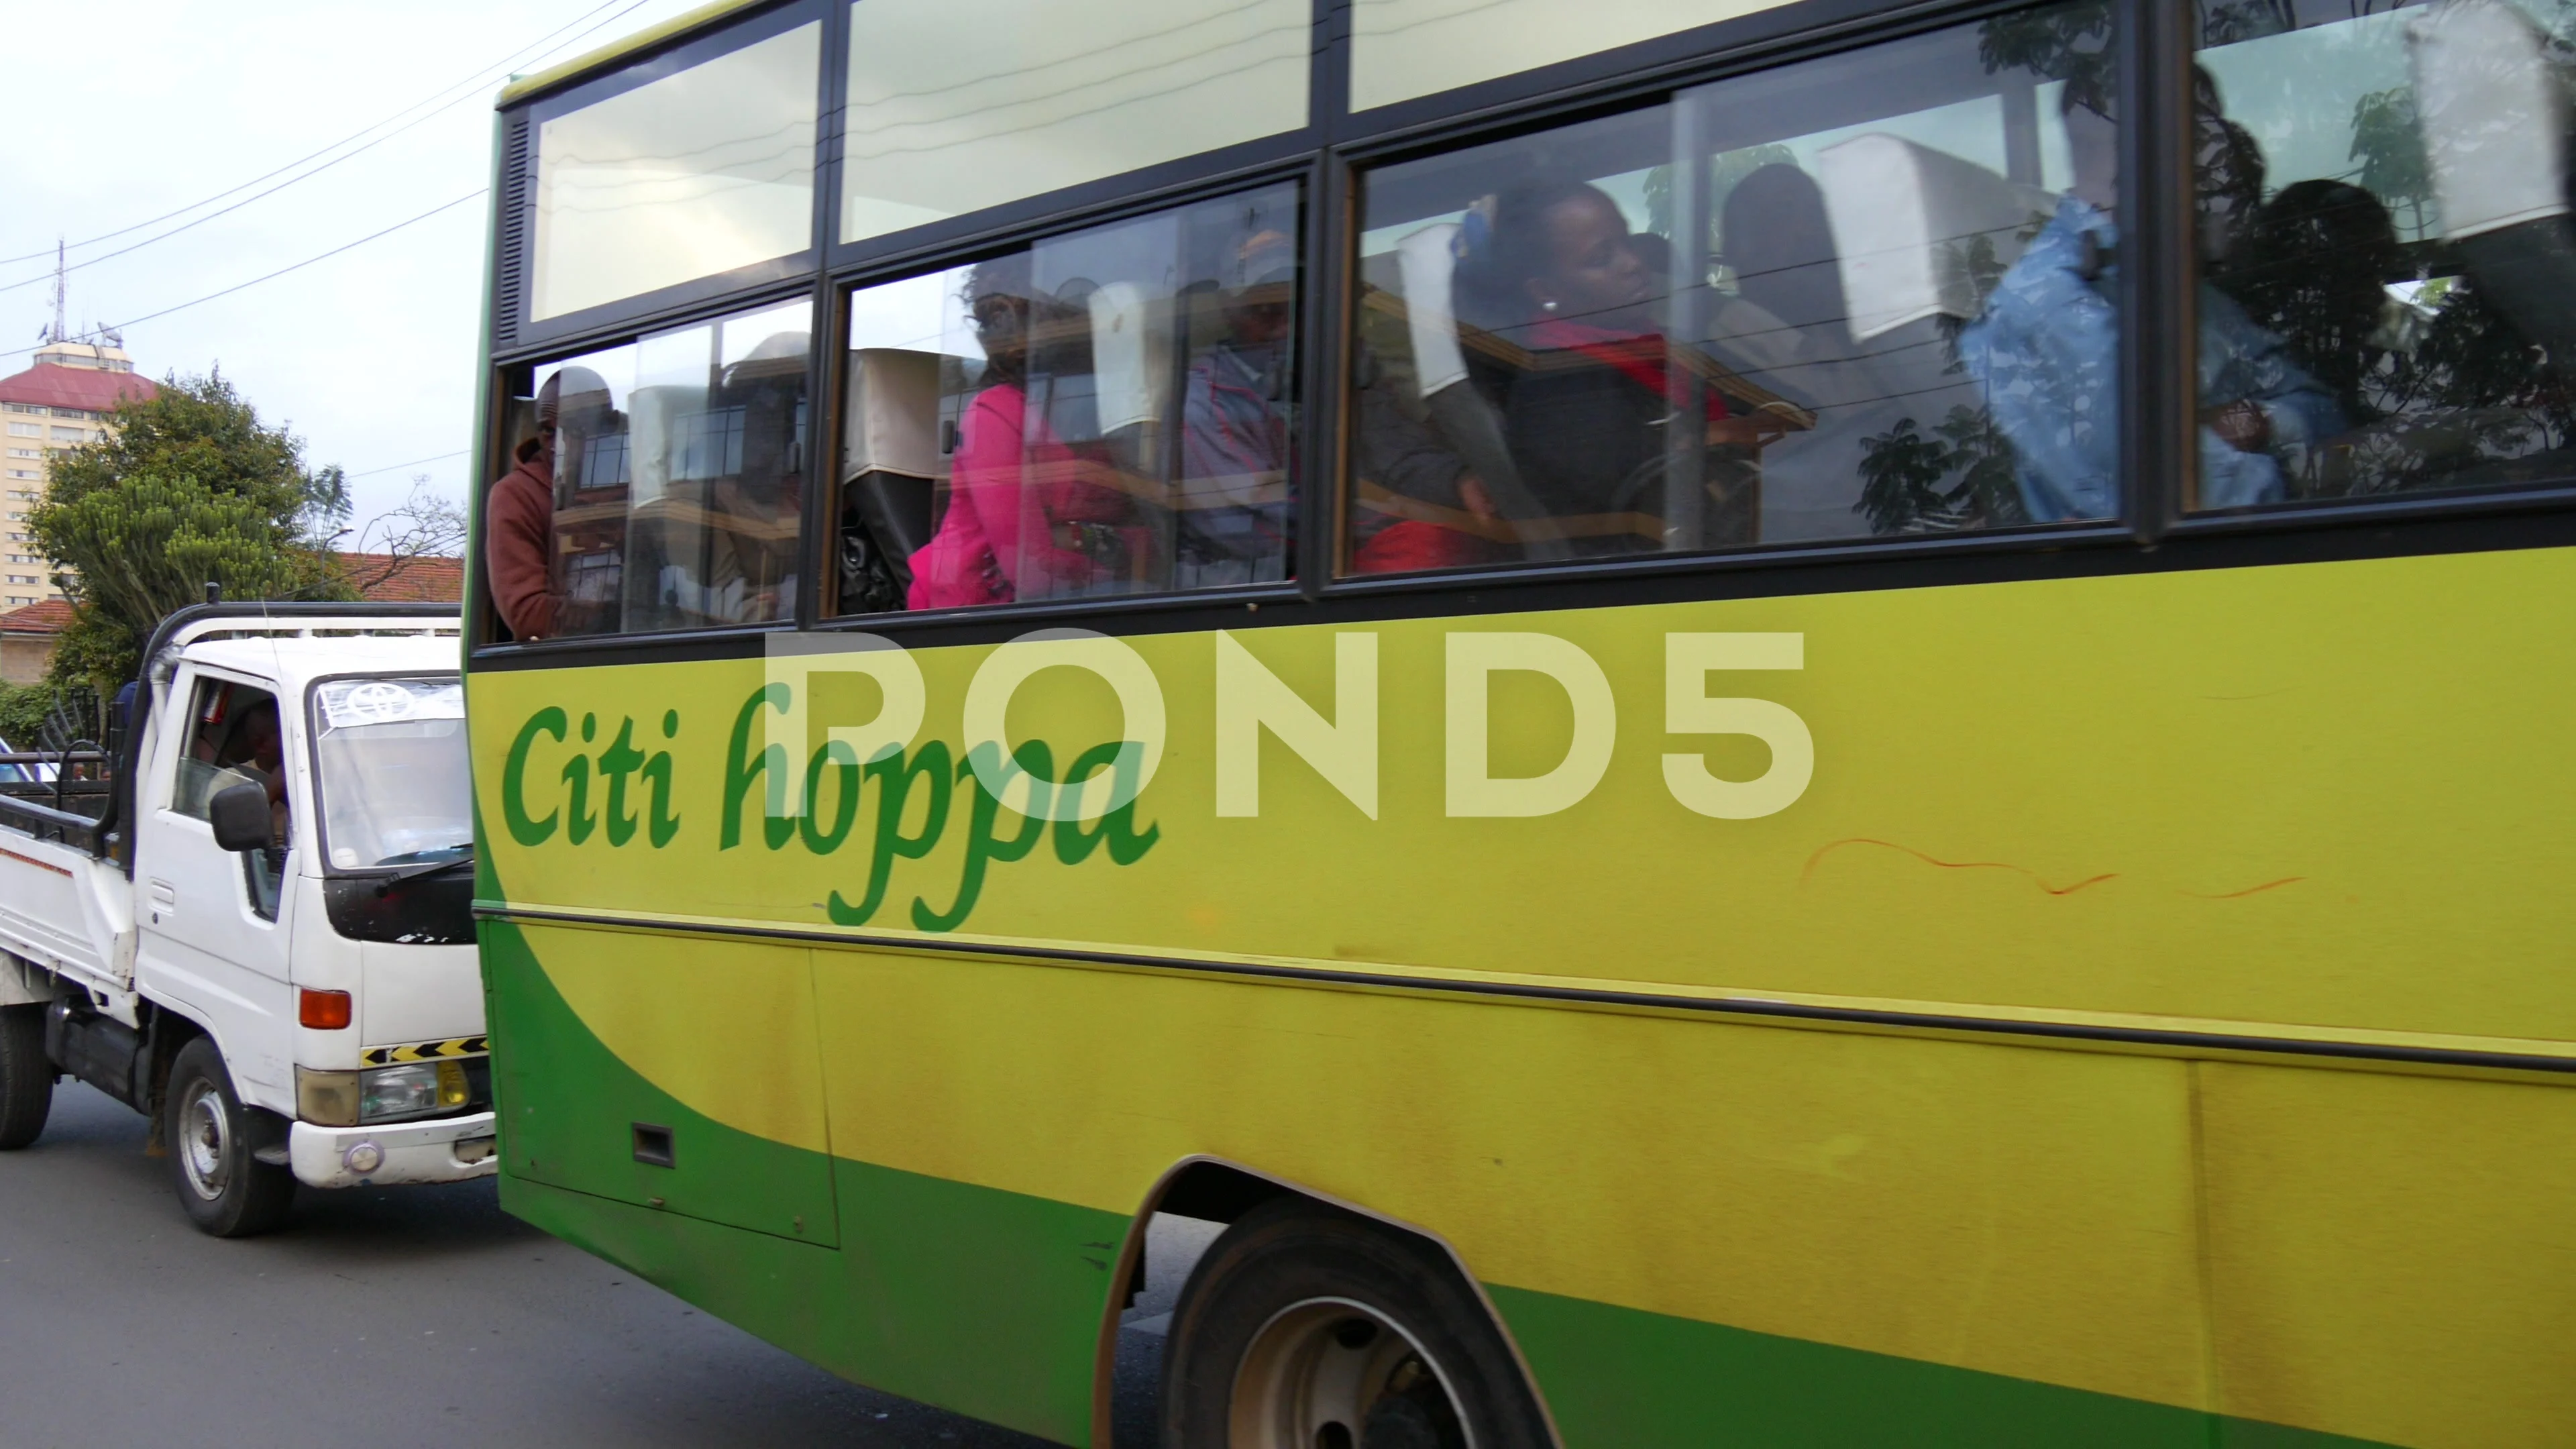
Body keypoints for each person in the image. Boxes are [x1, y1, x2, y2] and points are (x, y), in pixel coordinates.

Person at [1956, 72, 2343, 519]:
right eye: (2203, 141)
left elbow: (2323, 413)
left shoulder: (2183, 283)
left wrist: (2256, 421)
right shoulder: (2052, 299)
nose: (2222, 163)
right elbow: (2210, 502)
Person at [1461, 178, 1727, 549]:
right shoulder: (1558, 392)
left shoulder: (1659, 343)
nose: (1633, 263)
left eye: (1627, 241)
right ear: (1545, 292)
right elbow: (1662, 502)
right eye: (1601, 259)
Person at [907, 257, 1132, 609]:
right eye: (1062, 314)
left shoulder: (1063, 409)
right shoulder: (994, 414)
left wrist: (1094, 539)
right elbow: (1031, 569)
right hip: (966, 615)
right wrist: (1120, 561)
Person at [1175, 231, 1297, 585]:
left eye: (1286, 302)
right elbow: (1267, 514)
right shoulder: (1203, 400)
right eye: (1259, 306)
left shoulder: (1321, 369)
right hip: (1246, 583)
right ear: (1229, 309)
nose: (1279, 320)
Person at [485, 368, 610, 640]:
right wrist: (625, 610)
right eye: (547, 431)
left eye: (575, 429)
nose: (558, 444)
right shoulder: (516, 495)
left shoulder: (636, 483)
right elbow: (529, 615)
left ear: (607, 427)